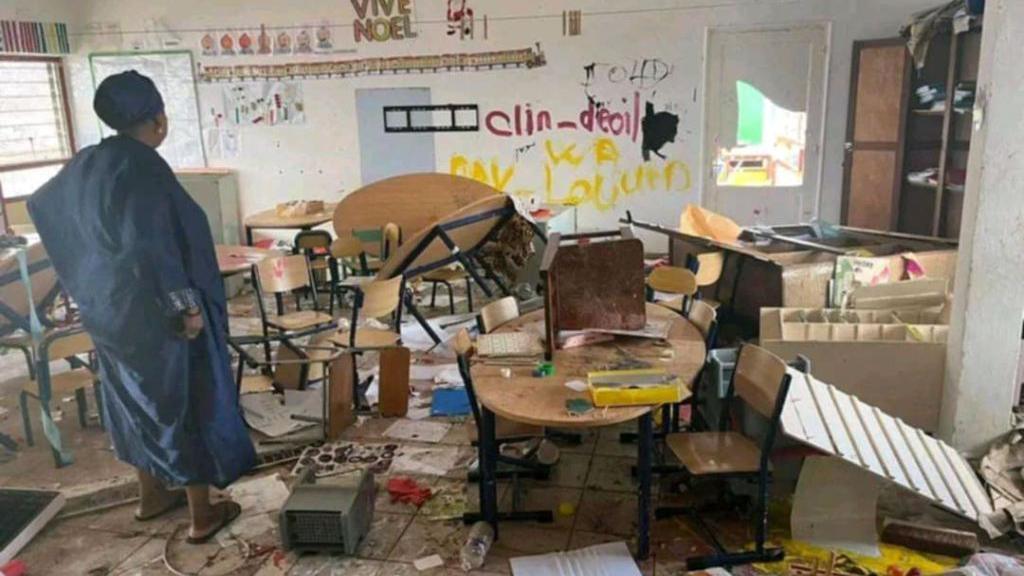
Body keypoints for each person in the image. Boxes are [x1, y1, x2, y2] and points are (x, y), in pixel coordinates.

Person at [28, 71, 256, 543]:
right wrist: (185, 306)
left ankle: (151, 496)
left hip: (111, 313)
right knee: (186, 401)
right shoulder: (143, 167)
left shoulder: (87, 163)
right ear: (156, 119)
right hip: (160, 315)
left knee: (133, 400)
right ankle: (201, 516)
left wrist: (92, 280)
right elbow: (152, 245)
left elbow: (46, 209)